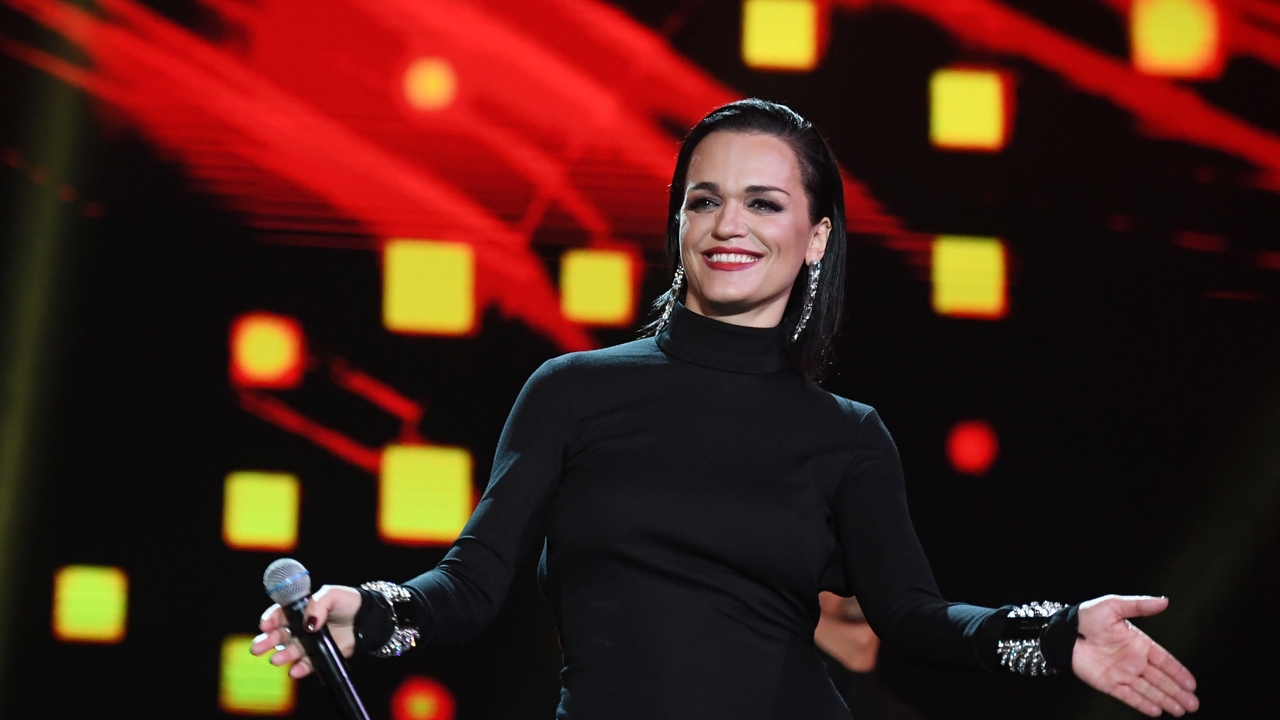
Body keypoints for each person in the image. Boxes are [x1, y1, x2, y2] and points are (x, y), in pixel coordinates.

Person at [252, 99, 1200, 719]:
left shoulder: (847, 437)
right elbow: (466, 588)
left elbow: (913, 619)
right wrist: (365, 614)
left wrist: (1058, 634)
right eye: (704, 200)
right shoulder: (573, 391)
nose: (729, 224)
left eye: (763, 202)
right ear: (679, 224)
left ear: (816, 236)